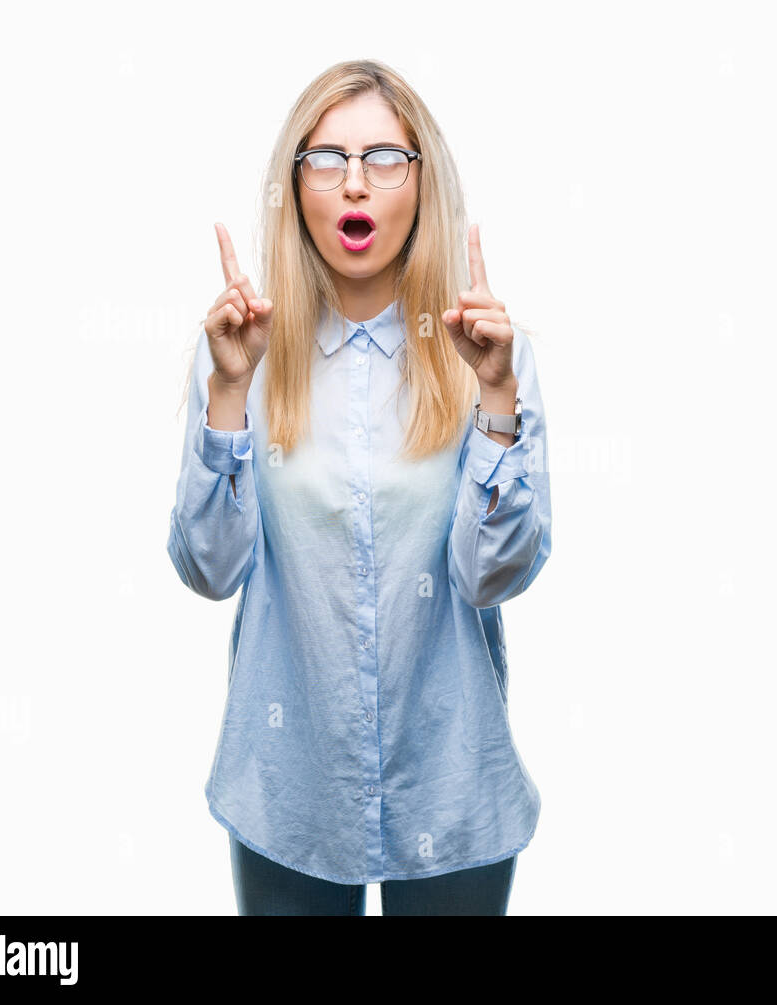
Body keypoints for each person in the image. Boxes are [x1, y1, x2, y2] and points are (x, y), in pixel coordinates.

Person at [165, 58, 551, 916]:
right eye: (326, 159)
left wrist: (494, 402)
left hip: (452, 792)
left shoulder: (492, 354)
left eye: (383, 158)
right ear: (294, 183)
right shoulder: (241, 353)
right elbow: (208, 570)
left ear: (422, 180)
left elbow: (494, 576)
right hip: (289, 794)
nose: (354, 184)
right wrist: (228, 392)